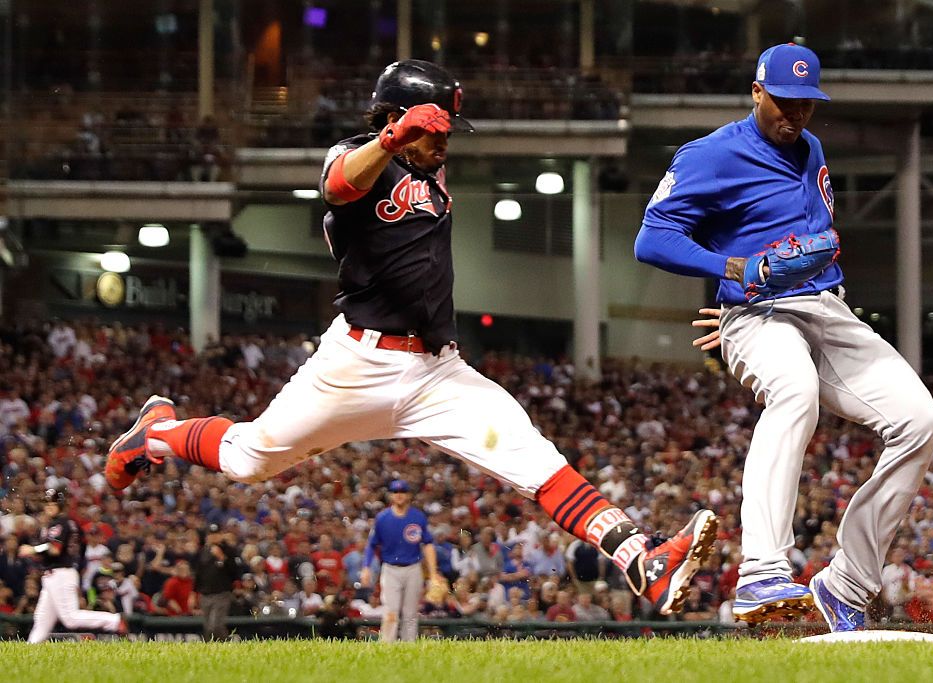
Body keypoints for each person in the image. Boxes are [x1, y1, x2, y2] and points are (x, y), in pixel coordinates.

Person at [104, 58, 718, 618]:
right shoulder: (359, 155)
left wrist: (418, 135)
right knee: (247, 459)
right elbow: (337, 185)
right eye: (436, 127)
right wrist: (394, 135)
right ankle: (157, 433)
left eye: (447, 129)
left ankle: (645, 560)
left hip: (436, 373)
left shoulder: (429, 163)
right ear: (397, 119)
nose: (445, 139)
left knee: (535, 459)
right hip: (357, 362)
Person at [635, 43, 933, 632]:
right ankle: (762, 570)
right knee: (795, 391)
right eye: (782, 101)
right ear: (757, 92)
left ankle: (845, 585)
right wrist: (732, 273)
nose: (794, 114)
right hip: (759, 313)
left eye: (805, 103)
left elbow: (806, 243)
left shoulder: (811, 148)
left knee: (921, 421)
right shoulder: (711, 155)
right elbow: (652, 239)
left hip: (826, 308)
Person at [19, 488, 126, 643]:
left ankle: (114, 621)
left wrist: (32, 549)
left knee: (70, 617)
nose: (49, 505)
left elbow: (54, 549)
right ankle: (30, 648)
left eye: (53, 502)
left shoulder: (59, 524)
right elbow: (80, 548)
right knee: (41, 619)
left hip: (60, 574)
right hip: (58, 574)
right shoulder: (70, 524)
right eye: (46, 502)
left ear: (61, 504)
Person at [358, 479, 439, 642]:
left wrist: (433, 573)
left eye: (402, 492)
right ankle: (388, 646)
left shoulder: (417, 516)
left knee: (410, 613)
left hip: (413, 567)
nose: (399, 495)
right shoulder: (382, 518)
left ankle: (409, 646)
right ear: (391, 495)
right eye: (396, 492)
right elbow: (372, 544)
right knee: (391, 611)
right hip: (390, 568)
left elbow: (428, 544)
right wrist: (366, 567)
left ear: (408, 495)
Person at [195, 523, 242, 640]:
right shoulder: (203, 552)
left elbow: (235, 572)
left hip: (222, 593)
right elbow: (199, 574)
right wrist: (193, 593)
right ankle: (210, 650)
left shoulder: (229, 550)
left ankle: (226, 645)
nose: (213, 537)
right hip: (205, 595)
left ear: (221, 535)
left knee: (215, 626)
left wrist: (222, 557)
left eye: (216, 534)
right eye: (211, 534)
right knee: (207, 627)